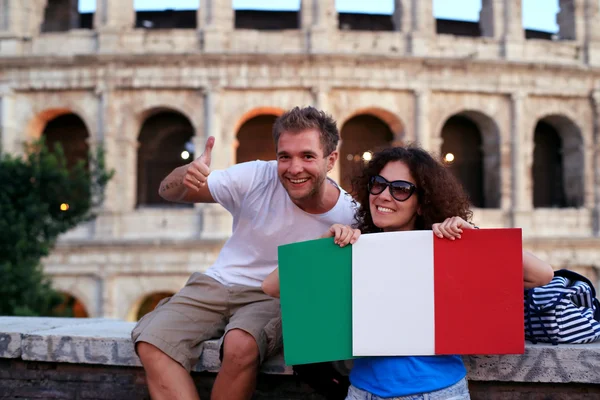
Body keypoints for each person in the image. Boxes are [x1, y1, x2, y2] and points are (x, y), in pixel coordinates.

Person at [262, 145, 554, 400]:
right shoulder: (352, 248)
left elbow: (542, 275)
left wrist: (474, 240)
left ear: (421, 202)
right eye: (378, 184)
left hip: (438, 394)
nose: (384, 196)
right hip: (363, 393)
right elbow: (272, 287)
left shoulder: (445, 249)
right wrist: (323, 245)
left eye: (400, 189)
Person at [132, 106, 357, 400]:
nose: (294, 167)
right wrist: (186, 174)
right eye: (284, 156)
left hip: (275, 293)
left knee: (241, 344)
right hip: (217, 283)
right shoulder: (256, 175)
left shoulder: (350, 215)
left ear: (331, 160)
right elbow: (168, 190)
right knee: (152, 342)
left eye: (307, 156)